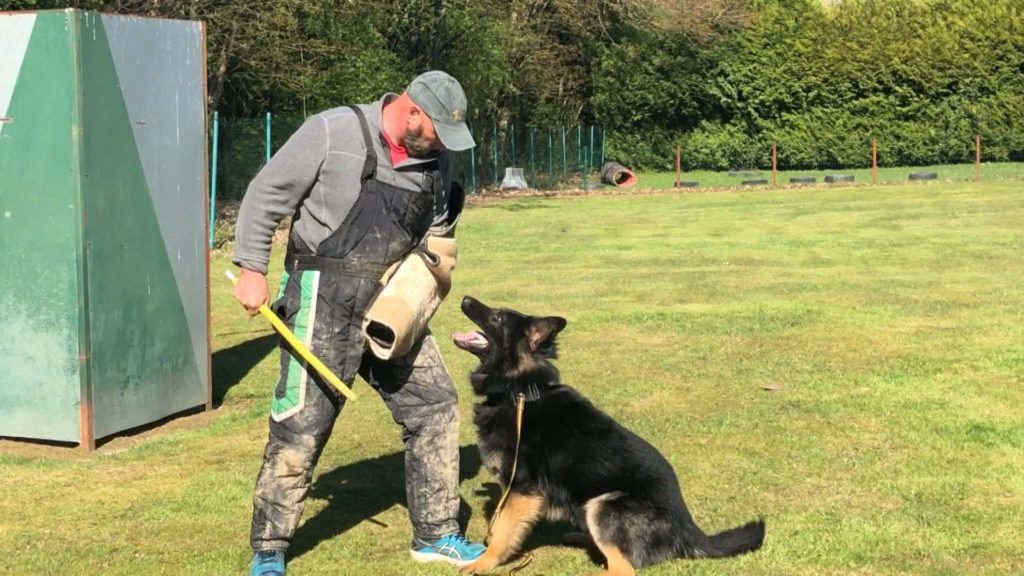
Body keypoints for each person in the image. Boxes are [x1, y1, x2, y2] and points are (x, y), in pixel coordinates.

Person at [231, 70, 484, 576]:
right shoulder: (334, 131)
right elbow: (265, 196)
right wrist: (252, 269)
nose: (441, 148)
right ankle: (269, 550)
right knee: (300, 425)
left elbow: (438, 231)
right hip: (321, 298)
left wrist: (420, 290)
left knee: (435, 406)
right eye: (437, 132)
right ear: (412, 112)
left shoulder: (439, 162)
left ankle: (436, 534)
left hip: (393, 305)